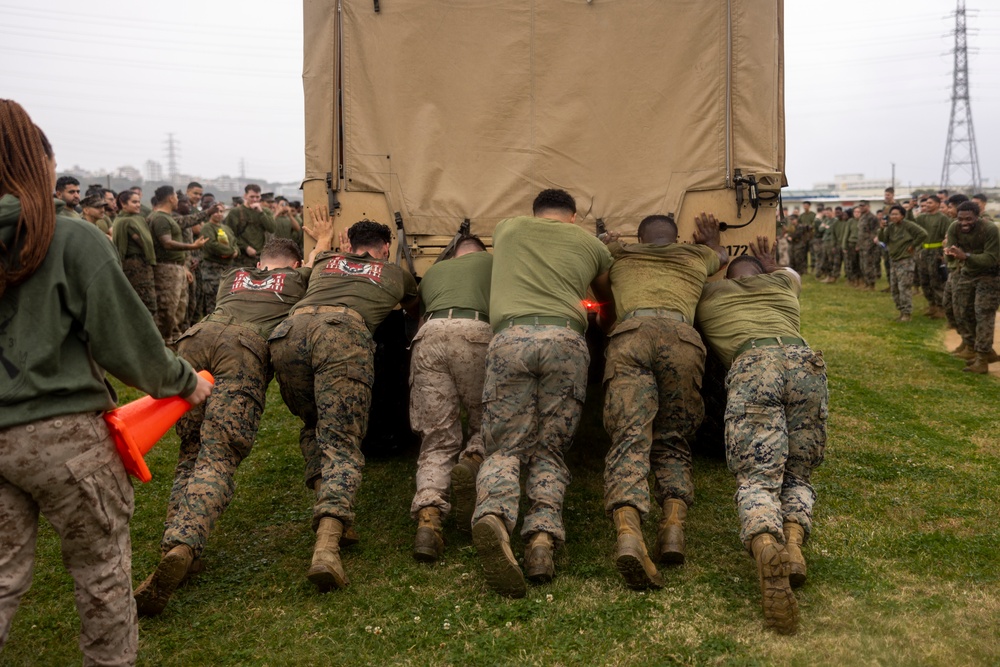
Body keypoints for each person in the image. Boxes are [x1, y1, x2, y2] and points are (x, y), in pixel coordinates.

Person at [0, 99, 212, 666]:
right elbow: (128, 342)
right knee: (100, 578)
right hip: (63, 436)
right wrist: (183, 382)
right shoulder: (68, 238)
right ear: (34, 162)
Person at [135, 220, 332, 616]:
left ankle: (174, 542)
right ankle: (184, 544)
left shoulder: (233, 277)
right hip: (240, 348)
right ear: (293, 264)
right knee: (219, 453)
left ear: (260, 261)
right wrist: (323, 241)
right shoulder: (298, 279)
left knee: (191, 448)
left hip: (193, 342)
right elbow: (315, 268)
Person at [471, 188, 614, 598]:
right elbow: (605, 300)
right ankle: (541, 541)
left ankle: (495, 518)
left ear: (534, 212)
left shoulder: (508, 229)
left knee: (504, 447)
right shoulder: (589, 243)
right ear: (573, 216)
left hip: (510, 338)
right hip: (565, 340)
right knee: (550, 447)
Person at [269, 212, 417, 591]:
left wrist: (322, 238)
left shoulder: (323, 261)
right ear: (385, 250)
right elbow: (412, 307)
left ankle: (335, 515)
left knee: (315, 427)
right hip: (340, 336)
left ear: (348, 246)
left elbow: (314, 256)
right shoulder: (395, 273)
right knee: (342, 442)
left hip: (289, 335)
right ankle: (326, 547)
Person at [696, 235, 828, 636]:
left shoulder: (710, 297)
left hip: (754, 367)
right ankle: (793, 544)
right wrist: (771, 265)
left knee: (758, 475)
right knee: (799, 472)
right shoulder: (783, 285)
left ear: (728, 278)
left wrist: (712, 252)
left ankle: (765, 544)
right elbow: (789, 272)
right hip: (805, 364)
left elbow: (689, 278)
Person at [601, 213, 727, 590]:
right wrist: (711, 240)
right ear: (676, 238)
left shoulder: (620, 255)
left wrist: (608, 240)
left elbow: (598, 276)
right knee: (673, 438)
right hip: (682, 338)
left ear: (640, 238)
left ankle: (629, 535)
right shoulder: (695, 257)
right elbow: (719, 254)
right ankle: (672, 528)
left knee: (630, 436)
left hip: (632, 335)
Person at [408, 235, 493, 562]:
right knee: (487, 421)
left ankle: (429, 520)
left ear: (455, 254)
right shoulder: (492, 264)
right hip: (474, 331)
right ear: (481, 254)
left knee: (438, 436)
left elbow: (416, 314)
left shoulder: (433, 272)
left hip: (429, 336)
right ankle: (472, 463)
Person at [945, 201, 1000, 373]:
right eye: (961, 219)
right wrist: (950, 254)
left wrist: (965, 256)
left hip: (990, 275)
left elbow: (991, 258)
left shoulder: (990, 229)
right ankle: (979, 349)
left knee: (983, 314)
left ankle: (982, 360)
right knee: (962, 312)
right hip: (967, 273)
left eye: (969, 219)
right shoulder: (954, 227)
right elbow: (951, 254)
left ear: (977, 217)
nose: (964, 223)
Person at [148, 185, 208, 343]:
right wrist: (192, 247)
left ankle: (174, 339)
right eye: (176, 196)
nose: (177, 200)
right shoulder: (160, 218)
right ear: (170, 198)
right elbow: (167, 243)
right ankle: (164, 341)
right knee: (168, 307)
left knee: (179, 307)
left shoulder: (166, 217)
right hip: (166, 268)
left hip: (177, 266)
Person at [877, 205, 927, 322]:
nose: (893, 217)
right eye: (892, 214)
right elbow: (883, 240)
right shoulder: (890, 227)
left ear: (902, 216)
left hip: (905, 260)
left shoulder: (908, 225)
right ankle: (901, 311)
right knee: (894, 288)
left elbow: (923, 234)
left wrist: (913, 246)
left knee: (904, 288)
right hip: (894, 260)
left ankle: (906, 314)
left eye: (896, 214)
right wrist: (881, 229)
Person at [113, 189, 159, 316]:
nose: (138, 205)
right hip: (135, 266)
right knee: (146, 304)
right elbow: (141, 242)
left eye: (139, 202)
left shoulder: (137, 219)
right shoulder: (125, 221)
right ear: (123, 203)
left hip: (143, 264)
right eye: (134, 202)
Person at [197, 202, 239, 315]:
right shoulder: (207, 228)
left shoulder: (226, 228)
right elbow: (211, 245)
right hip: (212, 270)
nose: (219, 214)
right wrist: (231, 252)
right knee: (212, 301)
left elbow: (234, 242)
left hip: (227, 269)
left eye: (221, 211)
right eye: (216, 211)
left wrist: (236, 251)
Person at [914, 195, 950, 319]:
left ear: (937, 204)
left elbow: (947, 237)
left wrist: (943, 254)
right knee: (924, 280)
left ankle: (941, 308)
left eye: (930, 203)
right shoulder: (921, 218)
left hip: (936, 252)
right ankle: (932, 305)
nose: (927, 205)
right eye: (926, 203)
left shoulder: (943, 219)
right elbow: (913, 227)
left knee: (937, 280)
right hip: (924, 251)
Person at [226, 184, 276, 267]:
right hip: (242, 258)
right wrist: (245, 247)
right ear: (245, 196)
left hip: (261, 257)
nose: (255, 199)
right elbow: (229, 235)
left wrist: (261, 213)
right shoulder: (235, 212)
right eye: (252, 197)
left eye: (257, 197)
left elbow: (272, 228)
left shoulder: (265, 211)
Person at [942, 194, 970, 334]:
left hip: (963, 270)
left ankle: (969, 343)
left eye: (950, 207)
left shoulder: (970, 225)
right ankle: (962, 336)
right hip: (953, 269)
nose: (948, 210)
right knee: (948, 304)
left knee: (962, 309)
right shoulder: (953, 223)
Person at [856, 200, 879, 290]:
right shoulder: (862, 217)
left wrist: (871, 243)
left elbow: (875, 232)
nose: (861, 207)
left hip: (869, 245)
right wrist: (858, 244)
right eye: (860, 206)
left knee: (868, 265)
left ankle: (871, 284)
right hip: (862, 244)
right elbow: (860, 232)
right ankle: (866, 283)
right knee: (862, 266)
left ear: (868, 206)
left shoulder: (872, 218)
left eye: (863, 206)